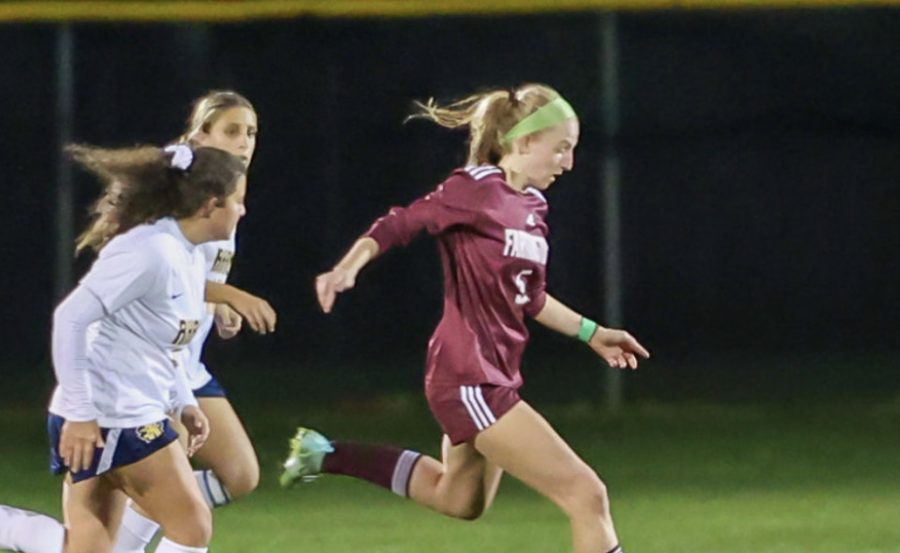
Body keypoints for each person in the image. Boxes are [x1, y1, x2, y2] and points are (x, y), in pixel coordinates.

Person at [280, 83, 650, 553]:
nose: (568, 162)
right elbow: (400, 222)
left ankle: (325, 455)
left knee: (458, 499)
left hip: (495, 374)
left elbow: (531, 297)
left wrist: (593, 333)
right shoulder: (474, 189)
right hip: (467, 376)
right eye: (561, 148)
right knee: (586, 494)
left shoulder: (534, 209)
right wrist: (346, 268)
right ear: (522, 143)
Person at [0, 143, 247, 553]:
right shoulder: (151, 250)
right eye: (238, 201)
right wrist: (81, 414)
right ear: (210, 205)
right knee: (192, 525)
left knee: (90, 549)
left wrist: (183, 399)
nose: (243, 211)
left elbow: (160, 341)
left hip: (113, 413)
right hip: (112, 417)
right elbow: (71, 318)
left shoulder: (186, 255)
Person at [105, 91, 276, 553]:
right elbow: (167, 275)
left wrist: (217, 307)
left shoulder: (229, 194)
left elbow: (202, 275)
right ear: (201, 136)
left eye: (252, 132)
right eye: (233, 131)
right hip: (149, 363)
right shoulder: (180, 195)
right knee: (186, 505)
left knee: (240, 474)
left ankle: (114, 535)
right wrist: (232, 296)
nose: (245, 142)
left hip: (186, 364)